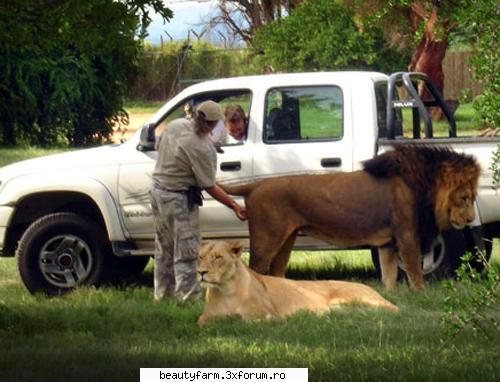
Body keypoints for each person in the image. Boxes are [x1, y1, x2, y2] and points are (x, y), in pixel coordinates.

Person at [151, 100, 247, 302]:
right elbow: (209, 185)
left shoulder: (176, 125)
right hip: (179, 199)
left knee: (164, 249)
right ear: (214, 124)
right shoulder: (202, 147)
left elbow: (160, 146)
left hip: (158, 193)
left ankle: (162, 295)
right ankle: (188, 298)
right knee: (186, 252)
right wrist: (234, 205)